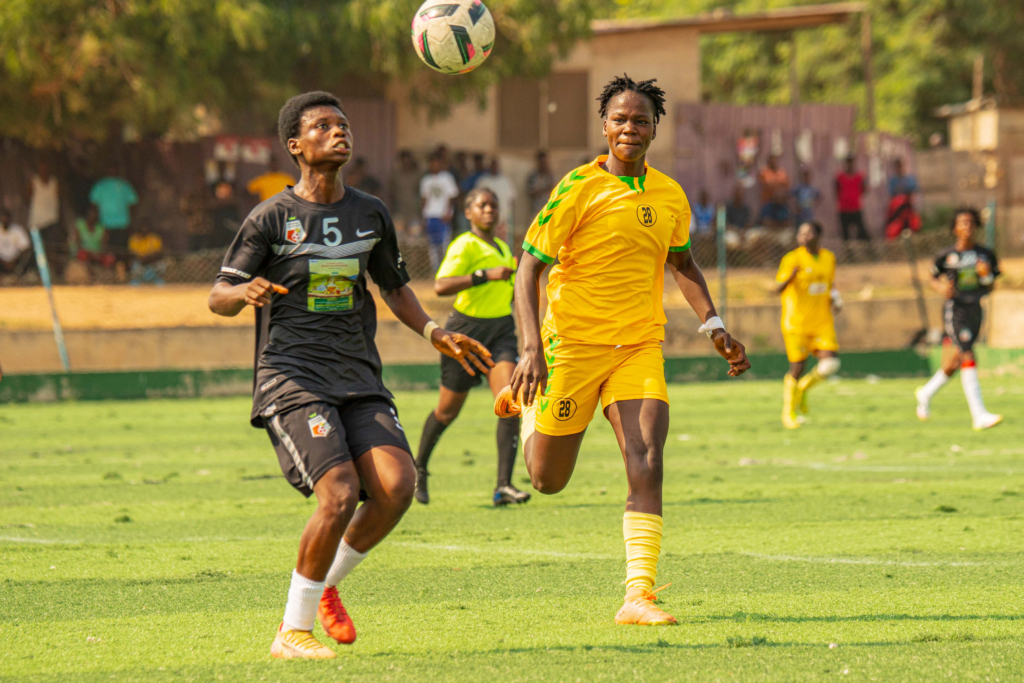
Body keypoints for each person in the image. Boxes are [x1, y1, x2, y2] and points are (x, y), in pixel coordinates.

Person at [207, 91, 493, 660]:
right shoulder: (271, 217)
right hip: (292, 378)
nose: (339, 133)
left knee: (397, 486)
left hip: (358, 376)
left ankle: (328, 582)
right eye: (322, 127)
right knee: (337, 495)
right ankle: (291, 631)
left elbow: (394, 288)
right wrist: (244, 291)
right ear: (296, 146)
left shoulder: (370, 212)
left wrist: (436, 332)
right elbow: (217, 295)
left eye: (342, 125)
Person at [494, 75, 750, 627]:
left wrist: (715, 325)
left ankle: (639, 596)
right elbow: (529, 267)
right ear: (604, 127)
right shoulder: (577, 188)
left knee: (648, 460)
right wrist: (530, 347)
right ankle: (530, 410)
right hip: (572, 347)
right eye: (619, 119)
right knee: (546, 479)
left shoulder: (670, 195)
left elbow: (681, 264)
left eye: (640, 120)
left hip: (638, 345)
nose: (629, 128)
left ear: (655, 128)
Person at [414, 188, 530, 507]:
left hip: (501, 331)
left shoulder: (505, 249)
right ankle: (419, 468)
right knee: (446, 411)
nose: (490, 210)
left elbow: (509, 293)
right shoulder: (464, 245)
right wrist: (483, 275)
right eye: (483, 205)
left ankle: (503, 486)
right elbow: (441, 285)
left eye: (494, 205)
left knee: (509, 402)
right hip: (466, 333)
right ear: (469, 213)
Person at [915, 208, 1002, 430]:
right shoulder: (947, 256)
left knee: (956, 360)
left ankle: (925, 393)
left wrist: (986, 275)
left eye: (971, 223)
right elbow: (933, 278)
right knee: (968, 355)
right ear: (955, 228)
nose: (967, 227)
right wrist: (942, 287)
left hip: (976, 309)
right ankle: (979, 414)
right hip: (956, 310)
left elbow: (992, 285)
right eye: (962, 223)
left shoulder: (986, 255)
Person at [774, 221, 843, 430]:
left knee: (830, 364)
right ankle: (788, 413)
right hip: (796, 322)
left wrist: (835, 298)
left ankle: (804, 388)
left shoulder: (829, 258)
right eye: (801, 233)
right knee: (797, 367)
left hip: (822, 321)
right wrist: (792, 275)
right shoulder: (792, 259)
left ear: (819, 235)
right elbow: (778, 288)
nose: (804, 237)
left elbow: (829, 284)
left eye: (809, 233)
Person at [89, 167, 138, 267]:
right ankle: (110, 271)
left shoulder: (124, 185)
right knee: (107, 249)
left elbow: (133, 203)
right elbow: (94, 204)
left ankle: (122, 271)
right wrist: (97, 219)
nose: (112, 170)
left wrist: (130, 220)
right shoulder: (100, 185)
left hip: (122, 223)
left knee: (122, 249)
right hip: (105, 224)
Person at [420, 153, 460, 272]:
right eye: (432, 163)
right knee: (432, 246)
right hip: (430, 215)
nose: (434, 165)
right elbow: (424, 199)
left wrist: (448, 213)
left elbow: (452, 197)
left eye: (437, 163)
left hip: (442, 216)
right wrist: (423, 217)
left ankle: (445, 270)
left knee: (443, 245)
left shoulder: (446, 178)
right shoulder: (426, 180)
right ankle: (435, 270)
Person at [26, 160, 64, 271]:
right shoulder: (33, 182)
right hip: (36, 222)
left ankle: (51, 272)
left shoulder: (54, 182)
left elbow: (59, 201)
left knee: (52, 249)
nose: (44, 170)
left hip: (52, 221)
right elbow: (27, 199)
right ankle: (38, 272)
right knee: (37, 249)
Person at [475, 158, 516, 242]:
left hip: (503, 218)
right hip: (486, 219)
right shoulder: (483, 181)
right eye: (492, 165)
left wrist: (510, 216)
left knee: (503, 242)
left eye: (496, 165)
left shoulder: (505, 181)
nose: (494, 167)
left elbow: (511, 200)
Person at [885, 158, 921, 240]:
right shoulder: (893, 181)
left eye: (900, 166)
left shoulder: (909, 179)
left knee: (913, 227)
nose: (899, 168)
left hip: (907, 208)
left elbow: (913, 189)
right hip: (897, 210)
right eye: (897, 166)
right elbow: (892, 192)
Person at [835, 155, 869, 242]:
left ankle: (867, 253)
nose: (850, 164)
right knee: (845, 235)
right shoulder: (839, 176)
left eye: (851, 161)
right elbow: (836, 190)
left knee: (862, 233)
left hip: (856, 208)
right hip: (844, 209)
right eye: (848, 161)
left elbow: (864, 189)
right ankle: (849, 254)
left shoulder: (860, 176)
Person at [389, 151, 422, 236]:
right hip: (399, 212)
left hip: (414, 211)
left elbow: (421, 193)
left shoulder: (417, 175)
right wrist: (392, 209)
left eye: (407, 161)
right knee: (399, 239)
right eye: (403, 161)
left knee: (414, 239)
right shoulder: (395, 175)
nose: (406, 163)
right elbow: (391, 193)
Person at [74, 206, 115, 270]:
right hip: (84, 252)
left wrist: (97, 253)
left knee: (110, 258)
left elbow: (104, 245)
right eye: (91, 215)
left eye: (95, 216)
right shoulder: (80, 225)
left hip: (98, 254)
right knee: (82, 255)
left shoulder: (102, 228)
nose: (92, 218)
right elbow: (77, 243)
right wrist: (89, 253)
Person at [757, 155, 790, 228]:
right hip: (768, 201)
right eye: (771, 161)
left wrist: (781, 196)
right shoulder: (764, 173)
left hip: (781, 203)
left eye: (774, 161)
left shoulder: (782, 173)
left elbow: (786, 188)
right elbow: (764, 186)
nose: (773, 163)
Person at [0, 209, 31, 275]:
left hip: (16, 261)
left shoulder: (17, 230)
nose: (5, 221)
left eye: (7, 219)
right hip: (1, 262)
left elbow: (25, 248)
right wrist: (4, 262)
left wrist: (15, 260)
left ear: (10, 219)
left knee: (29, 257)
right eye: (3, 219)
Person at [526, 151, 555, 221]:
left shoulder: (550, 175)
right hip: (536, 211)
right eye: (541, 162)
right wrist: (543, 190)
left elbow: (555, 192)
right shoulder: (533, 176)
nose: (543, 164)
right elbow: (530, 193)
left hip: (549, 211)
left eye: (545, 162)